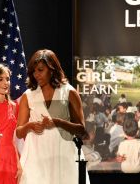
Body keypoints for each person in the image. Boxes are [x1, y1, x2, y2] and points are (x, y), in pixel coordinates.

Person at [16, 49, 90, 184]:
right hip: (36, 157)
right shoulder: (28, 95)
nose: (36, 74)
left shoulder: (69, 92)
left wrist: (57, 122)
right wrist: (29, 125)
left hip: (64, 155)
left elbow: (81, 130)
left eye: (40, 70)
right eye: (34, 71)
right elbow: (19, 132)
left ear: (52, 69)